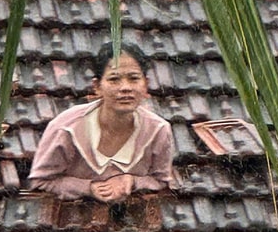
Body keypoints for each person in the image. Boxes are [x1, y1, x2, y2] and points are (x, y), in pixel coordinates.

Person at [28, 42, 176, 201]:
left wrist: (132, 181)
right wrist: (88, 188)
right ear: (97, 86)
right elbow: (40, 182)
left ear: (145, 84)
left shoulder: (158, 130)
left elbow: (162, 181)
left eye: (134, 79)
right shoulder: (67, 128)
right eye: (114, 79)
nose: (125, 87)